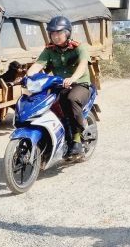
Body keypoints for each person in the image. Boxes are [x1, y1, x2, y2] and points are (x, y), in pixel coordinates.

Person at [26, 15, 90, 156]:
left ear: (67, 33)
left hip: (79, 85)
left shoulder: (78, 48)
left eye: (59, 33)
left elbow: (83, 64)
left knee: (70, 99)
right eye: (52, 33)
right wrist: (27, 76)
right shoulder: (49, 50)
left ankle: (77, 139)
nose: (55, 36)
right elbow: (38, 64)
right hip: (58, 85)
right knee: (39, 100)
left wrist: (72, 78)